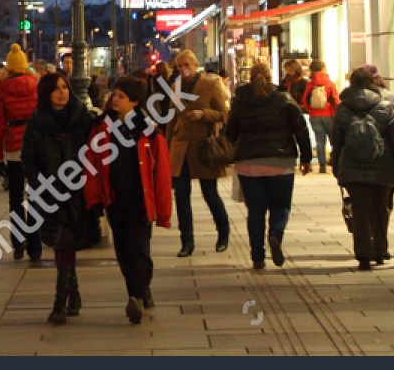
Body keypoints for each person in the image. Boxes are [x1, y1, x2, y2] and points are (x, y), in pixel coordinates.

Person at [83, 77, 172, 324]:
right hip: (115, 198)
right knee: (123, 250)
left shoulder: (150, 131)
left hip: (140, 200)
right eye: (115, 95)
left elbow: (162, 174)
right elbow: (91, 163)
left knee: (139, 249)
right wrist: (94, 199)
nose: (115, 100)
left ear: (134, 101)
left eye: (121, 96)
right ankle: (141, 292)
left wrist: (163, 211)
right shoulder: (101, 126)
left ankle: (136, 296)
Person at [23, 71, 96, 324]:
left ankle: (60, 303)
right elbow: (28, 159)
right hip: (50, 192)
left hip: (78, 192)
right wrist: (38, 186)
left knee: (66, 244)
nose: (62, 92)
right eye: (56, 89)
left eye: (65, 87)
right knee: (63, 243)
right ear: (46, 93)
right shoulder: (36, 123)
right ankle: (71, 296)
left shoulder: (83, 120)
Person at [225, 61, 312, 270]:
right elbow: (300, 129)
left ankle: (257, 256)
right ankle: (275, 235)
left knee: (255, 211)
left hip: (248, 163)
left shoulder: (241, 100)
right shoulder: (283, 98)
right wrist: (306, 158)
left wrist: (234, 150)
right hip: (280, 161)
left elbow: (230, 131)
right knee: (280, 207)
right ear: (270, 76)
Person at [332, 66, 394, 270]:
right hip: (383, 167)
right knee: (380, 209)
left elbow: (336, 141)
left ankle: (363, 256)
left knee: (360, 212)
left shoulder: (342, 108)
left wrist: (336, 166)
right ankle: (380, 250)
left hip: (353, 167)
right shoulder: (385, 106)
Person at [164, 50, 231, 256]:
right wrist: (166, 149)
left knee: (210, 193)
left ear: (195, 65)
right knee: (182, 195)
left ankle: (223, 233)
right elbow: (172, 118)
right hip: (180, 145)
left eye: (187, 65)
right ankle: (187, 241)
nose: (183, 69)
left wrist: (203, 114)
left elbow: (223, 114)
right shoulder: (175, 87)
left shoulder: (211, 84)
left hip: (204, 146)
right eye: (179, 66)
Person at [0, 45, 41, 262]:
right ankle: (35, 246)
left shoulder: (2, 88)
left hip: (13, 147)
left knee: (15, 198)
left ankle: (18, 242)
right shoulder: (38, 85)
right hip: (35, 148)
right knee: (36, 196)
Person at [301, 58, 338, 173]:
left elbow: (305, 100)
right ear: (324, 69)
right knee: (334, 140)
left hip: (315, 115)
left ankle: (322, 165)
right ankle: (335, 162)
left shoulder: (310, 84)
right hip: (330, 115)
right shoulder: (330, 84)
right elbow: (336, 100)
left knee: (320, 141)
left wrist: (310, 109)